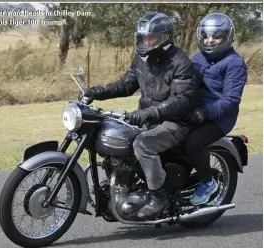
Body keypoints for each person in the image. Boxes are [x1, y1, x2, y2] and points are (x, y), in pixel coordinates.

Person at [79, 12, 200, 219]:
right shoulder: (142, 59)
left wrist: (149, 113)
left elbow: (181, 101)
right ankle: (122, 182)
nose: (146, 42)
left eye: (151, 38)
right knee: (112, 133)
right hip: (148, 117)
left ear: (164, 37)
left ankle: (158, 196)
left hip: (175, 122)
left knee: (143, 145)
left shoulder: (181, 63)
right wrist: (95, 92)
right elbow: (126, 85)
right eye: (143, 37)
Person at [184, 13, 248, 205]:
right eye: (206, 35)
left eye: (216, 36)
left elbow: (231, 99)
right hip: (195, 111)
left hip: (219, 118)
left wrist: (205, 112)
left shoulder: (234, 64)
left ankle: (207, 182)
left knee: (193, 142)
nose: (210, 40)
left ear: (227, 37)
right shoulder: (199, 57)